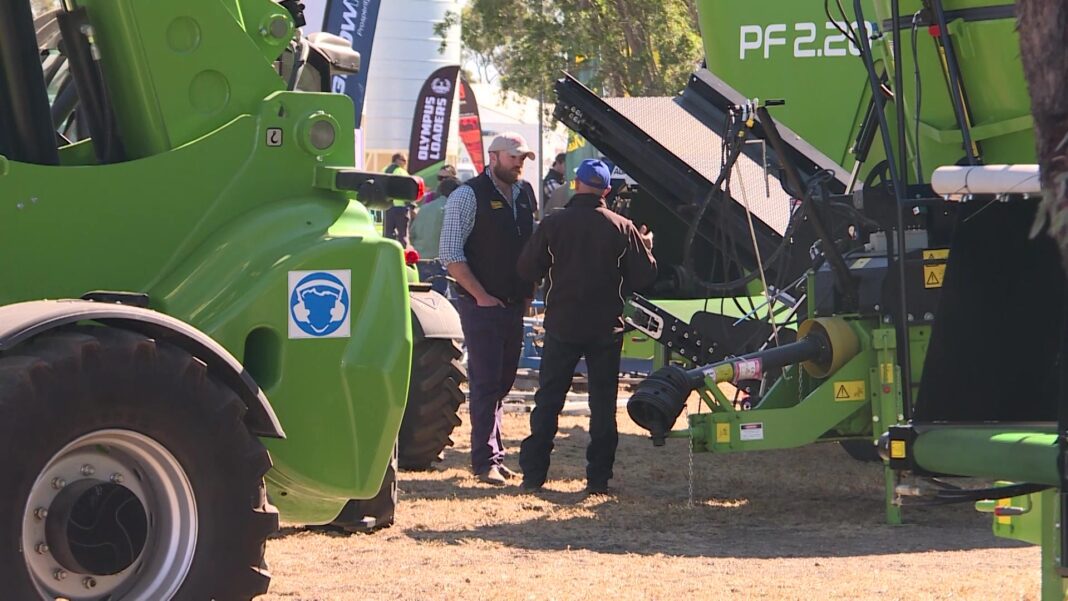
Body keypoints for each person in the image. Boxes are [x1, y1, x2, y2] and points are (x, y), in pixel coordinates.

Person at [516, 158, 656, 495]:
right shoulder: (623, 227)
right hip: (605, 328)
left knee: (548, 399)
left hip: (562, 323)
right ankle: (598, 479)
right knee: (603, 405)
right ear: (607, 190)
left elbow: (526, 268)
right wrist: (646, 247)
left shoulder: (554, 224)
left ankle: (534, 475)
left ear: (576, 183)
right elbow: (645, 276)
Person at [439, 132, 538, 485]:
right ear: (493, 157)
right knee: (484, 383)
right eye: (514, 157)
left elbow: (530, 247)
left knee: (503, 382)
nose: (519, 163)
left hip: (513, 304)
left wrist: (528, 291)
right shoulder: (467, 195)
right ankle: (484, 461)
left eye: (523, 158)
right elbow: (451, 255)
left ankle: (494, 453)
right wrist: (480, 295)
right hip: (480, 305)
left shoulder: (525, 194)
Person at [411, 175, 461, 295]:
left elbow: (412, 234)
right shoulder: (453, 209)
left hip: (420, 262)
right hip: (442, 265)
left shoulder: (424, 208)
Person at [382, 152, 411, 246]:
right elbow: (407, 190)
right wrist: (410, 206)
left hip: (387, 207)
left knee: (388, 234)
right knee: (403, 235)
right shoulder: (401, 172)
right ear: (397, 160)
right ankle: (403, 255)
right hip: (400, 208)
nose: (405, 163)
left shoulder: (384, 170)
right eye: (404, 160)